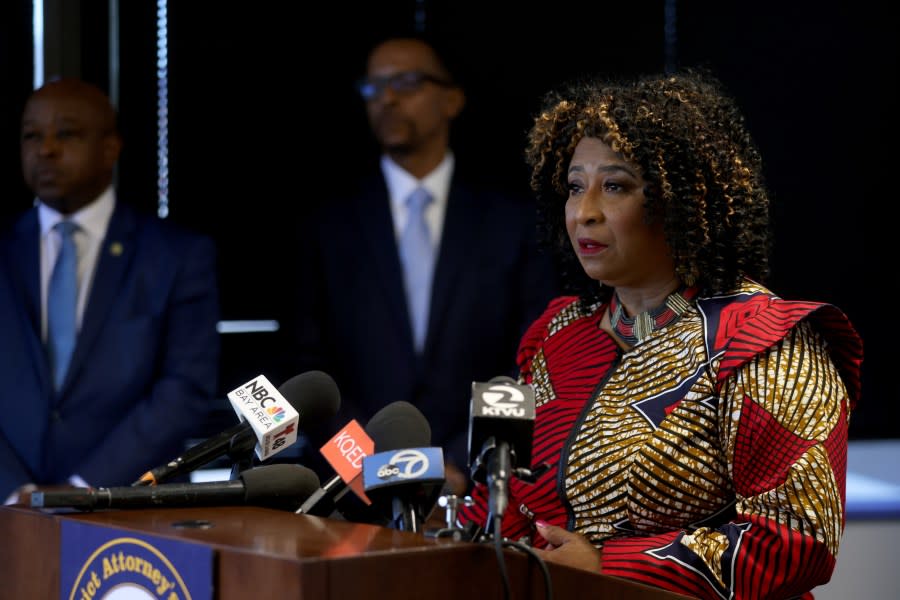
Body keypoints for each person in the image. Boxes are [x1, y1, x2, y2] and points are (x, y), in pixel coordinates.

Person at [457, 69, 863, 599]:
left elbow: (797, 540)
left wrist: (607, 565)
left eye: (616, 186)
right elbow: (502, 499)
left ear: (684, 201)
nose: (585, 213)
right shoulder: (555, 334)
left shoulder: (766, 340)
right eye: (576, 187)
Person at [281, 36, 559, 496]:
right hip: (353, 482)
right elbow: (306, 369)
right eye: (373, 88)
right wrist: (367, 463)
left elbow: (526, 360)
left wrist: (462, 464)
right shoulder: (327, 228)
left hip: (471, 485)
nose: (386, 99)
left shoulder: (511, 224)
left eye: (406, 83)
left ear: (452, 99)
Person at [0, 78, 221, 503]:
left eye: (66, 133)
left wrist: (85, 488)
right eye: (32, 134)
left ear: (110, 149)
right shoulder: (4, 251)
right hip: (9, 510)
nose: (45, 148)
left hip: (132, 508)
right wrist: (16, 490)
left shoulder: (177, 255)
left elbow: (184, 389)